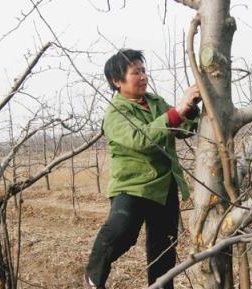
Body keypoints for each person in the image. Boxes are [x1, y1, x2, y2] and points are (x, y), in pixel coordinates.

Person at [84, 49, 201, 289]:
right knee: (121, 232)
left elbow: (182, 129)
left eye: (144, 71)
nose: (143, 77)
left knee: (163, 250)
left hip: (164, 185)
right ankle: (93, 277)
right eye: (135, 72)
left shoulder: (156, 102)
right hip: (133, 186)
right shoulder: (116, 113)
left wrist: (190, 109)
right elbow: (143, 139)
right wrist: (177, 112)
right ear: (117, 81)